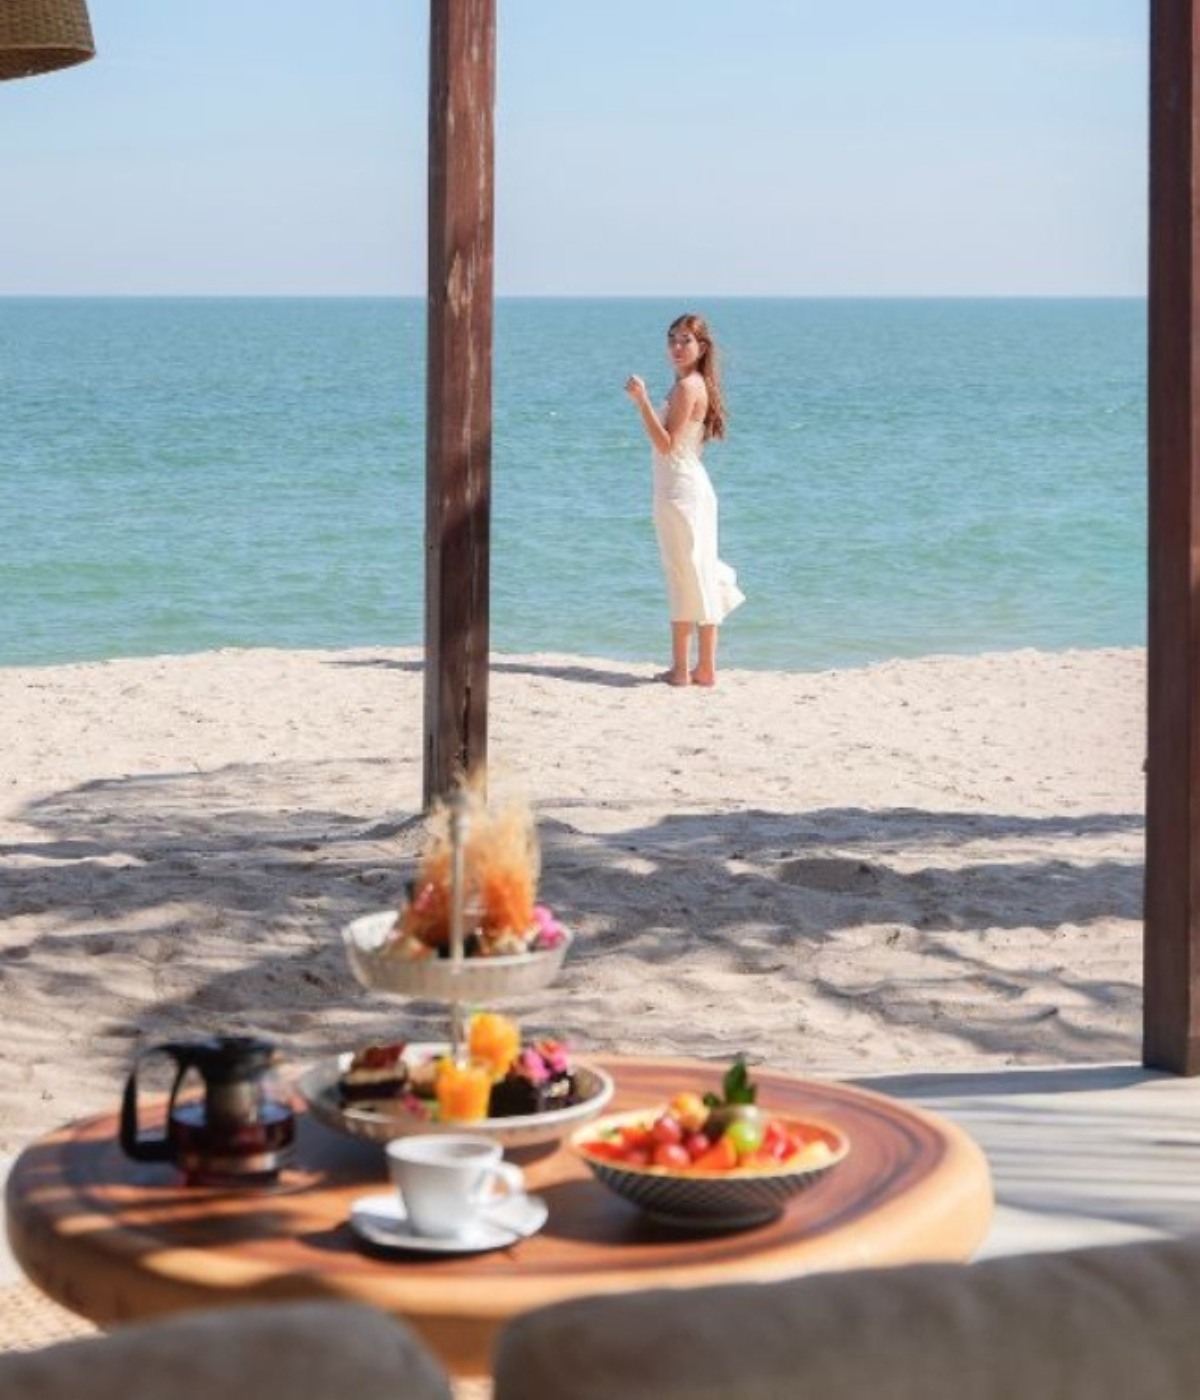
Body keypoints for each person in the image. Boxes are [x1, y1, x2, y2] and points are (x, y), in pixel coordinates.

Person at [625, 312, 745, 686]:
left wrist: (641, 401)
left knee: (681, 572)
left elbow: (666, 445)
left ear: (702, 347)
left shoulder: (687, 387)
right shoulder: (695, 385)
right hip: (690, 486)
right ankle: (704, 668)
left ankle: (681, 670)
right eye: (673, 339)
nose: (677, 347)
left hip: (680, 491)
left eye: (686, 340)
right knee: (700, 570)